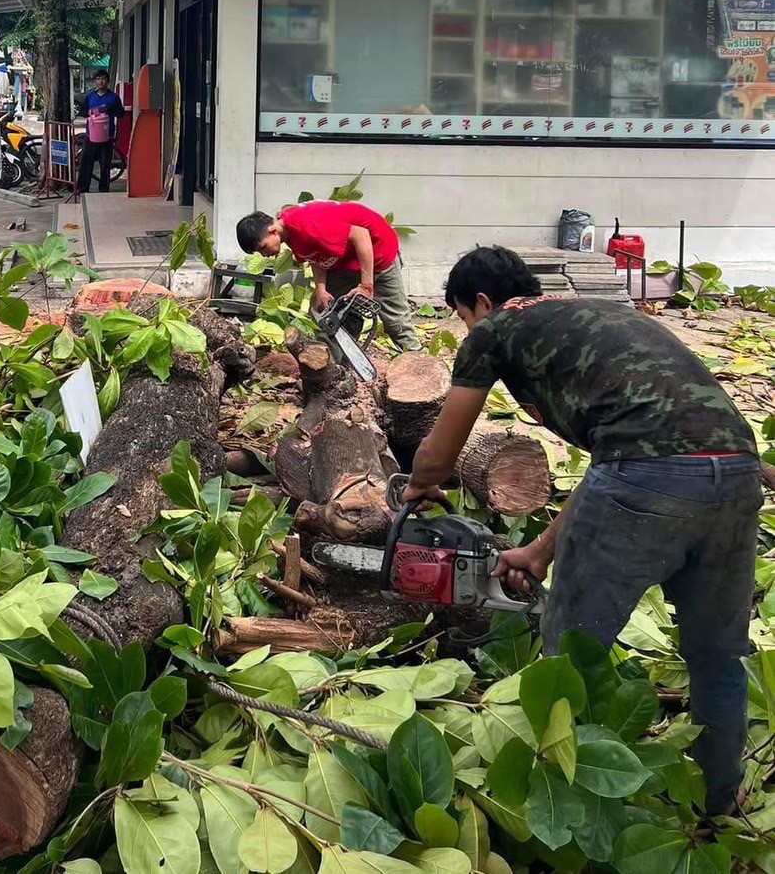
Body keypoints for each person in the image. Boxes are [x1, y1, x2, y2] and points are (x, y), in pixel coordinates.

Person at [401, 244, 760, 817]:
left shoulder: (495, 330)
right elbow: (611, 457)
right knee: (719, 654)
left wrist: (420, 485)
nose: (467, 327)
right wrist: (541, 551)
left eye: (463, 316)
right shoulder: (598, 317)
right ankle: (717, 805)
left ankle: (560, 802)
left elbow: (440, 455)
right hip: (739, 471)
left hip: (646, 476)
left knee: (571, 649)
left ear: (483, 303)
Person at [236, 201, 420, 351]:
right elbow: (316, 256)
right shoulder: (289, 233)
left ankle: (418, 362)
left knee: (396, 321)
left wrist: (366, 286)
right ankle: (332, 365)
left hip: (378, 252)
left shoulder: (307, 225)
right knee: (323, 311)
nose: (264, 254)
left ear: (273, 230)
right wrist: (321, 290)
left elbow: (361, 234)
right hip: (347, 261)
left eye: (263, 248)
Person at [77, 71, 124, 193]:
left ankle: (103, 189)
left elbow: (121, 113)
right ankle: (82, 188)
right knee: (86, 162)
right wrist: (89, 112)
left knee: (105, 164)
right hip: (91, 135)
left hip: (107, 136)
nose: (100, 81)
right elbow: (82, 111)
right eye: (98, 79)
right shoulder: (90, 96)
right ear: (95, 81)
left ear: (107, 81)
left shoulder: (114, 97)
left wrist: (108, 111)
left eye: (103, 79)